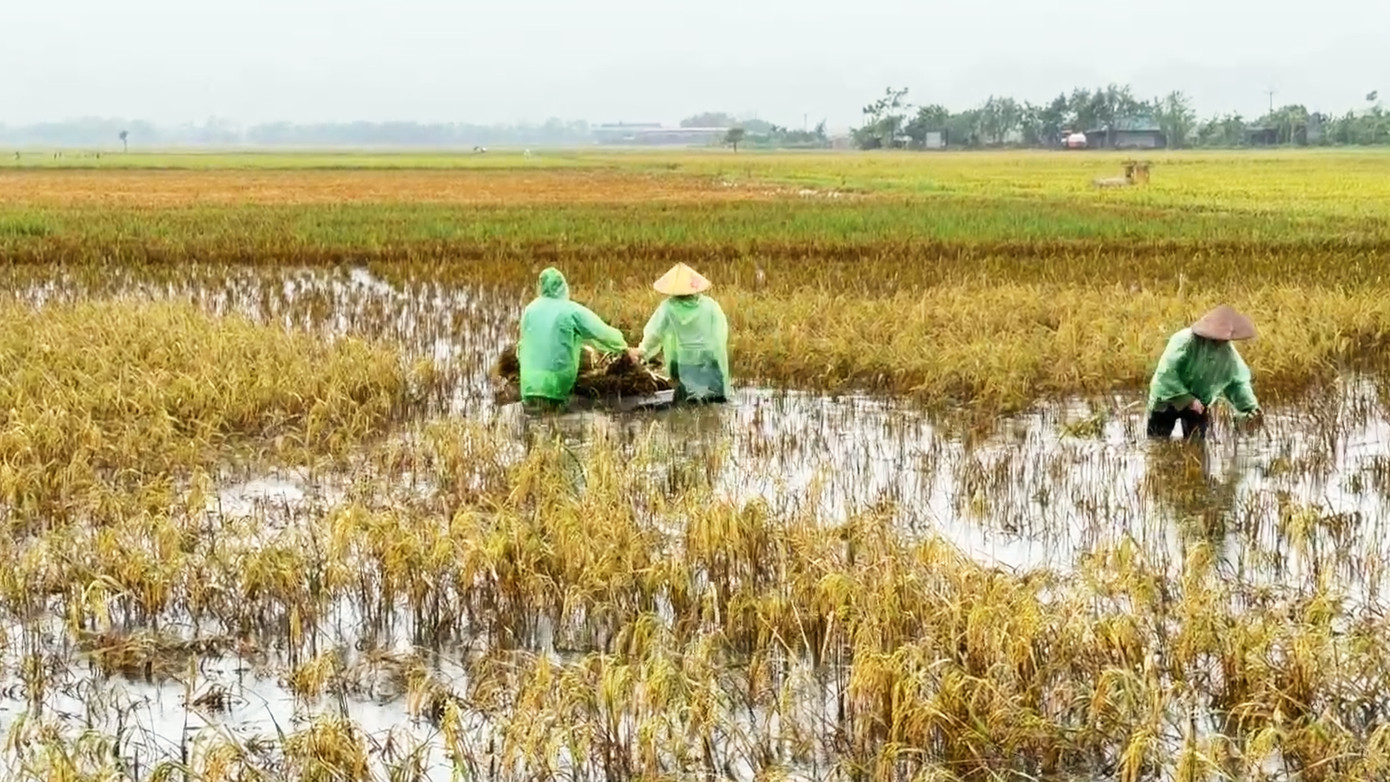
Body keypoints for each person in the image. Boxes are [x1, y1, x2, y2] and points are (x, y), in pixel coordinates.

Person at [517, 267, 630, 409]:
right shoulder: (570, 310)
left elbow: (522, 345)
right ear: (563, 287)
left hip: (528, 383)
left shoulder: (529, 310)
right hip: (556, 384)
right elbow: (601, 332)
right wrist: (623, 347)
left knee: (538, 421)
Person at [1146, 304, 1262, 441]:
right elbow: (1167, 375)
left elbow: (1237, 384)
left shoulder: (1229, 357)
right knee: (1158, 442)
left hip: (1199, 403)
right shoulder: (1183, 342)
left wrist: (1251, 408)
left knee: (1197, 447)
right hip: (1167, 400)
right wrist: (1188, 400)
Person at [630, 263, 730, 404]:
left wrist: (641, 351)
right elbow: (721, 332)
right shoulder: (710, 305)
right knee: (713, 404)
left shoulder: (668, 308)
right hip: (710, 361)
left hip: (683, 363)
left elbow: (654, 333)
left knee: (686, 406)